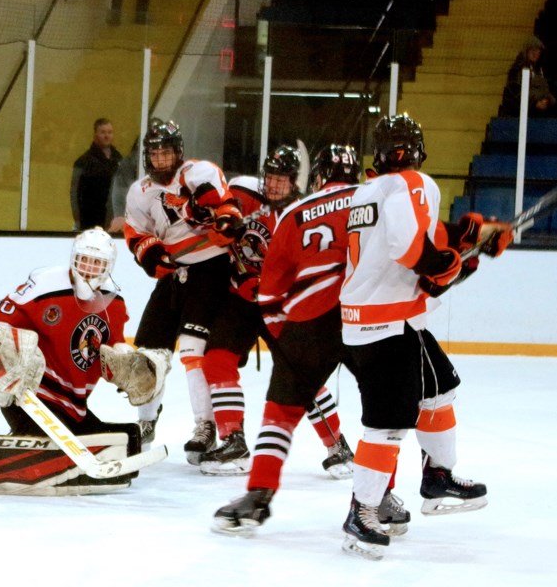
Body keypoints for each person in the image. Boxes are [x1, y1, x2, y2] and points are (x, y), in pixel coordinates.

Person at [337, 114, 512, 560]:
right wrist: (444, 265)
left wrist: (477, 237)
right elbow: (413, 250)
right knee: (388, 421)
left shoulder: (367, 191)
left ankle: (438, 477)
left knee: (439, 389)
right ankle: (362, 511)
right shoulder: (413, 182)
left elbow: (429, 237)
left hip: (383, 322)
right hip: (385, 326)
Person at [0, 227, 170, 496]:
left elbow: (111, 350)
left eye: (97, 263)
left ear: (108, 267)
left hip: (73, 406)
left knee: (125, 443)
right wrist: (7, 364)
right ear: (74, 259)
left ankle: (39, 452)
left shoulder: (114, 303)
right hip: (30, 396)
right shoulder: (47, 284)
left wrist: (126, 362)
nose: (89, 269)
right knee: (49, 450)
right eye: (84, 260)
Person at [210, 144, 364, 536]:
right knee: (389, 414)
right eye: (272, 177)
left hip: (296, 309)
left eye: (283, 178)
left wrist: (284, 329)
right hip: (365, 315)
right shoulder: (374, 201)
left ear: (308, 180)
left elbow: (276, 281)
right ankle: (386, 497)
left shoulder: (298, 212)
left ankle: (263, 492)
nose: (275, 184)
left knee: (284, 404)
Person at [124, 117, 242, 464]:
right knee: (148, 351)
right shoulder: (139, 192)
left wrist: (225, 221)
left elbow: (227, 206)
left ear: (179, 152)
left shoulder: (198, 173)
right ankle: (145, 424)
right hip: (175, 273)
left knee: (193, 348)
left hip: (210, 268)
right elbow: (137, 235)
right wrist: (152, 254)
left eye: (166, 153)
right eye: (155, 155)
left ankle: (205, 427)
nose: (161, 160)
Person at [70, 117, 123, 230]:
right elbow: (75, 194)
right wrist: (78, 219)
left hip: (113, 221)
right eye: (102, 132)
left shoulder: (119, 159)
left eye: (109, 132)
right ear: (95, 135)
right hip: (91, 221)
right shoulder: (83, 162)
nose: (106, 136)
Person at [498, 37, 557, 117]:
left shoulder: (543, 70)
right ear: (526, 51)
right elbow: (515, 94)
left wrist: (547, 101)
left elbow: (552, 91)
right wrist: (535, 104)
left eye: (538, 50)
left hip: (543, 108)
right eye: (532, 50)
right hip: (522, 111)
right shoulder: (516, 70)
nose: (535, 53)